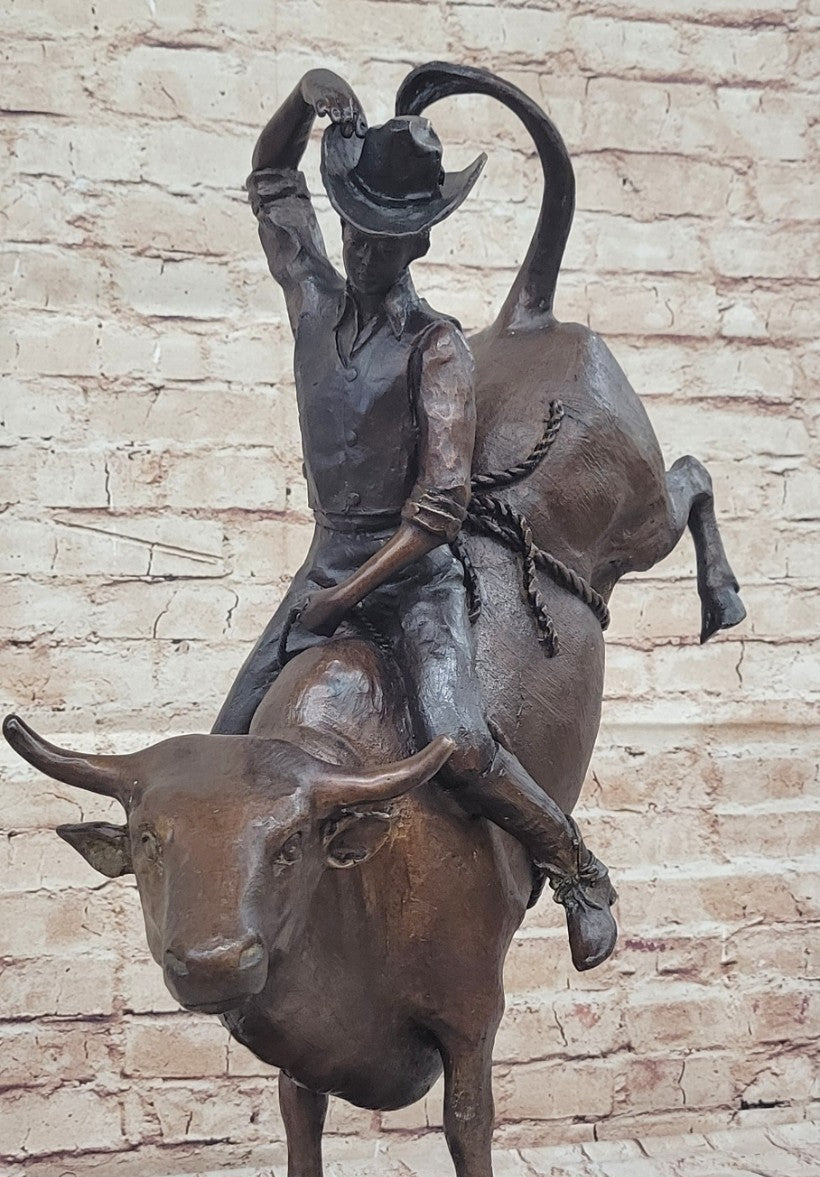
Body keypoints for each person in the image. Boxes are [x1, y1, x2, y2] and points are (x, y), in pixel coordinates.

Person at [213, 69, 617, 971]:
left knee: (461, 743)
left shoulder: (435, 347)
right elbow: (270, 182)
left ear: (418, 242)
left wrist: (342, 598)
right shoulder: (312, 300)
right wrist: (302, 97)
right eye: (357, 227)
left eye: (387, 237)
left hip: (410, 577)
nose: (364, 248)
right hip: (332, 556)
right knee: (227, 744)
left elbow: (438, 513)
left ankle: (575, 864)